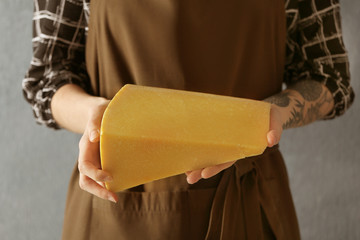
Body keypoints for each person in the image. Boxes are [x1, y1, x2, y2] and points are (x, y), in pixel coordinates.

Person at [23, 0, 354, 239]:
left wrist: (271, 116)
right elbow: (49, 77)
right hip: (117, 205)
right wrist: (96, 117)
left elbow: (328, 77)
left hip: (248, 201)